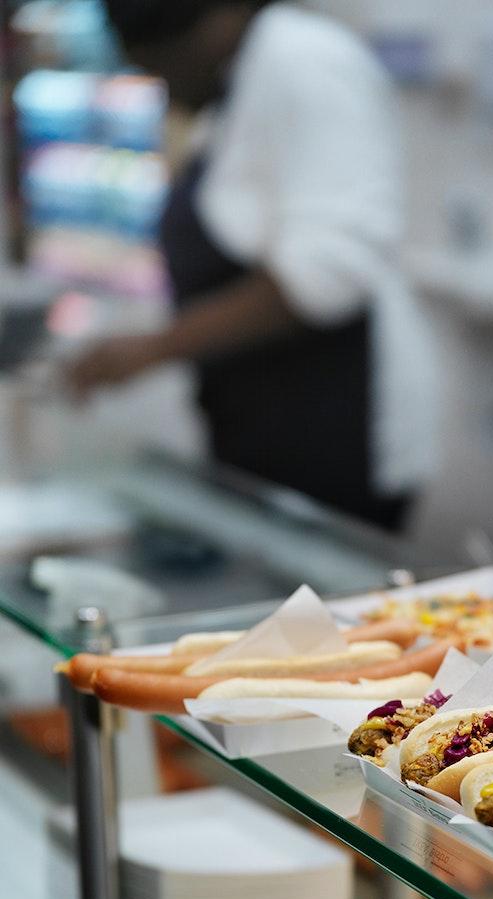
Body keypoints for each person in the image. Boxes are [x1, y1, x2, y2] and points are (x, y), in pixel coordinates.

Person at [68, 0, 436, 531]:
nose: (163, 84)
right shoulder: (239, 82)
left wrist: (153, 349)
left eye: (162, 63)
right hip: (262, 424)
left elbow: (327, 275)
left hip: (336, 422)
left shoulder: (302, 58)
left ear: (219, 19)